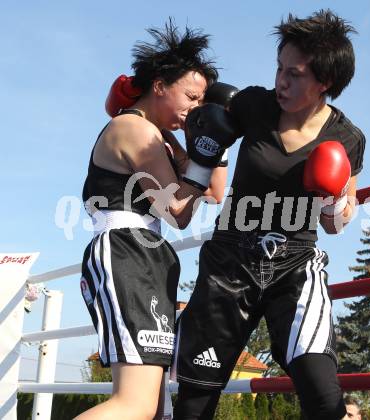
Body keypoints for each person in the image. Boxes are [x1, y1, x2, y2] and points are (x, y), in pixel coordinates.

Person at [173, 9, 365, 420]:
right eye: (279, 68)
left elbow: (338, 220)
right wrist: (200, 155)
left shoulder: (346, 139)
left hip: (294, 265)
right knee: (194, 401)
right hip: (229, 263)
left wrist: (332, 200)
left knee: (321, 391)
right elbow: (199, 134)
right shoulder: (252, 105)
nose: (281, 80)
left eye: (293, 74)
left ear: (324, 81)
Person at [75, 19, 232, 420]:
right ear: (160, 84)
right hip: (125, 250)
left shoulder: (162, 138)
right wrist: (199, 157)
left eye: (202, 102)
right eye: (192, 97)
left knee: (154, 408)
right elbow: (179, 207)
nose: (195, 108)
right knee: (135, 405)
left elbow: (212, 193)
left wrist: (219, 137)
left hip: (148, 256)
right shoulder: (133, 128)